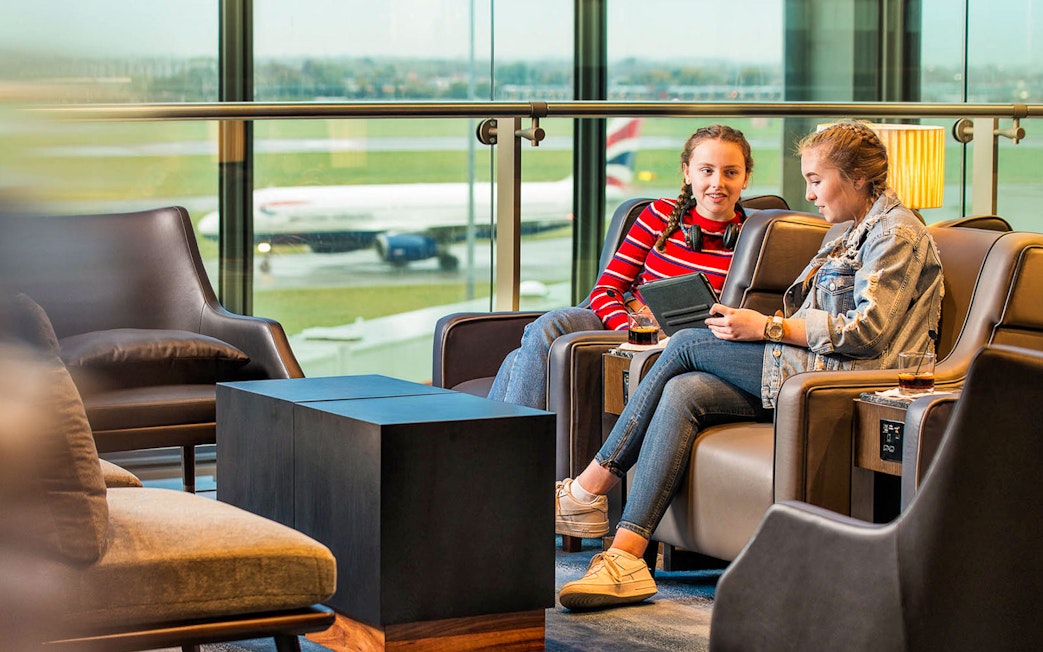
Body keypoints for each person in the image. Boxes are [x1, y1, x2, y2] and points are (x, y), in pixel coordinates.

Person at [555, 120, 945, 610]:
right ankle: (628, 559)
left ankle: (589, 489)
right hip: (809, 368)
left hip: (842, 381)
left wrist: (767, 328)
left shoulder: (897, 233)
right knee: (684, 390)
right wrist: (764, 324)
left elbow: (866, 333)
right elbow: (817, 319)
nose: (808, 193)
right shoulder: (846, 231)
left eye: (816, 180)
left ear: (858, 178)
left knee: (685, 345)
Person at [488, 124, 755, 410]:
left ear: (746, 178)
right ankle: (509, 446)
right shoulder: (659, 215)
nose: (718, 183)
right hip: (625, 330)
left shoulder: (755, 238)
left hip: (679, 347)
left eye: (730, 172)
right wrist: (635, 330)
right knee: (551, 325)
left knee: (518, 358)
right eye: (706, 170)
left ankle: (502, 447)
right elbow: (605, 290)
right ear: (687, 172)